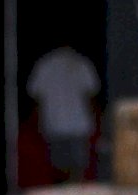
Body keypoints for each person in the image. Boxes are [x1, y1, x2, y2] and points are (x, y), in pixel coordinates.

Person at [26, 44, 100, 183]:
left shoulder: (46, 65)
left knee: (62, 169)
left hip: (59, 124)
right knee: (70, 170)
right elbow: (91, 97)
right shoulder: (80, 64)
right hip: (74, 125)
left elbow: (37, 98)